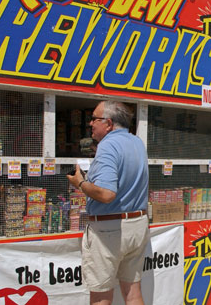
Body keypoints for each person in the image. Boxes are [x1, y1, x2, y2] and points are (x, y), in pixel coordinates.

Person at [67, 100, 149, 305]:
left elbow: (106, 194)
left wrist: (81, 183)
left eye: (95, 118)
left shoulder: (108, 145)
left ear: (109, 123)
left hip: (109, 230)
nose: (90, 123)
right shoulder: (136, 142)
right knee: (132, 290)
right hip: (137, 225)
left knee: (101, 295)